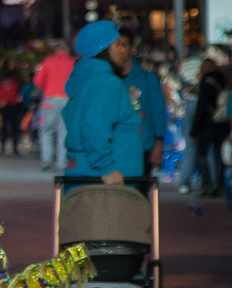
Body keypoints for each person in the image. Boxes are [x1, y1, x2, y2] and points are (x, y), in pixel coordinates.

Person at [62, 20, 142, 184]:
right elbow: (94, 126)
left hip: (86, 175)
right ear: (102, 49)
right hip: (103, 186)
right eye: (118, 44)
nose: (123, 50)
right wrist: (107, 168)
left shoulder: (88, 79)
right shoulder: (105, 83)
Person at [123, 42, 169, 177]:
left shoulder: (149, 79)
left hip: (143, 145)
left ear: (132, 49)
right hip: (116, 147)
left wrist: (158, 142)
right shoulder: (108, 79)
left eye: (123, 44)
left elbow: (158, 111)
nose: (120, 50)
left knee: (139, 191)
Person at [33, 39, 76, 171]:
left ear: (55, 50)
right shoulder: (73, 63)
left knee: (46, 130)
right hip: (67, 100)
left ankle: (46, 160)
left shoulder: (48, 61)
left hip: (50, 99)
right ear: (67, 50)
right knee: (63, 131)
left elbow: (37, 81)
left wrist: (47, 85)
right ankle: (61, 162)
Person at [190, 58, 231, 195]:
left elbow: (201, 107)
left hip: (208, 125)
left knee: (204, 155)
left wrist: (194, 130)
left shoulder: (206, 82)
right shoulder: (224, 80)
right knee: (219, 156)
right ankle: (219, 186)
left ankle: (206, 185)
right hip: (223, 123)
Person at [0, 59, 24, 156]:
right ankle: (2, 146)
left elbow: (15, 91)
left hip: (13, 105)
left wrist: (7, 100)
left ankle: (15, 146)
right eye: (10, 63)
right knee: (3, 126)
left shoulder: (16, 76)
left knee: (15, 126)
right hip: (2, 105)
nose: (12, 65)